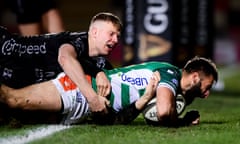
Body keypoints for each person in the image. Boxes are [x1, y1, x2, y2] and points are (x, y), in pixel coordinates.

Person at [0, 56, 218, 126]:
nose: (206, 94)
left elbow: (127, 115)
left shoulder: (176, 87)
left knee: (16, 115)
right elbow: (162, 112)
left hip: (88, 109)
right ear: (196, 77)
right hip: (81, 92)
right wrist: (180, 121)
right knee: (12, 99)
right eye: (207, 87)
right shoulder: (170, 74)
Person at [0, 12, 123, 113]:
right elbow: (65, 58)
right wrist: (93, 98)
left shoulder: (98, 62)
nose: (116, 40)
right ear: (95, 32)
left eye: (118, 36)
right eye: (111, 34)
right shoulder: (79, 41)